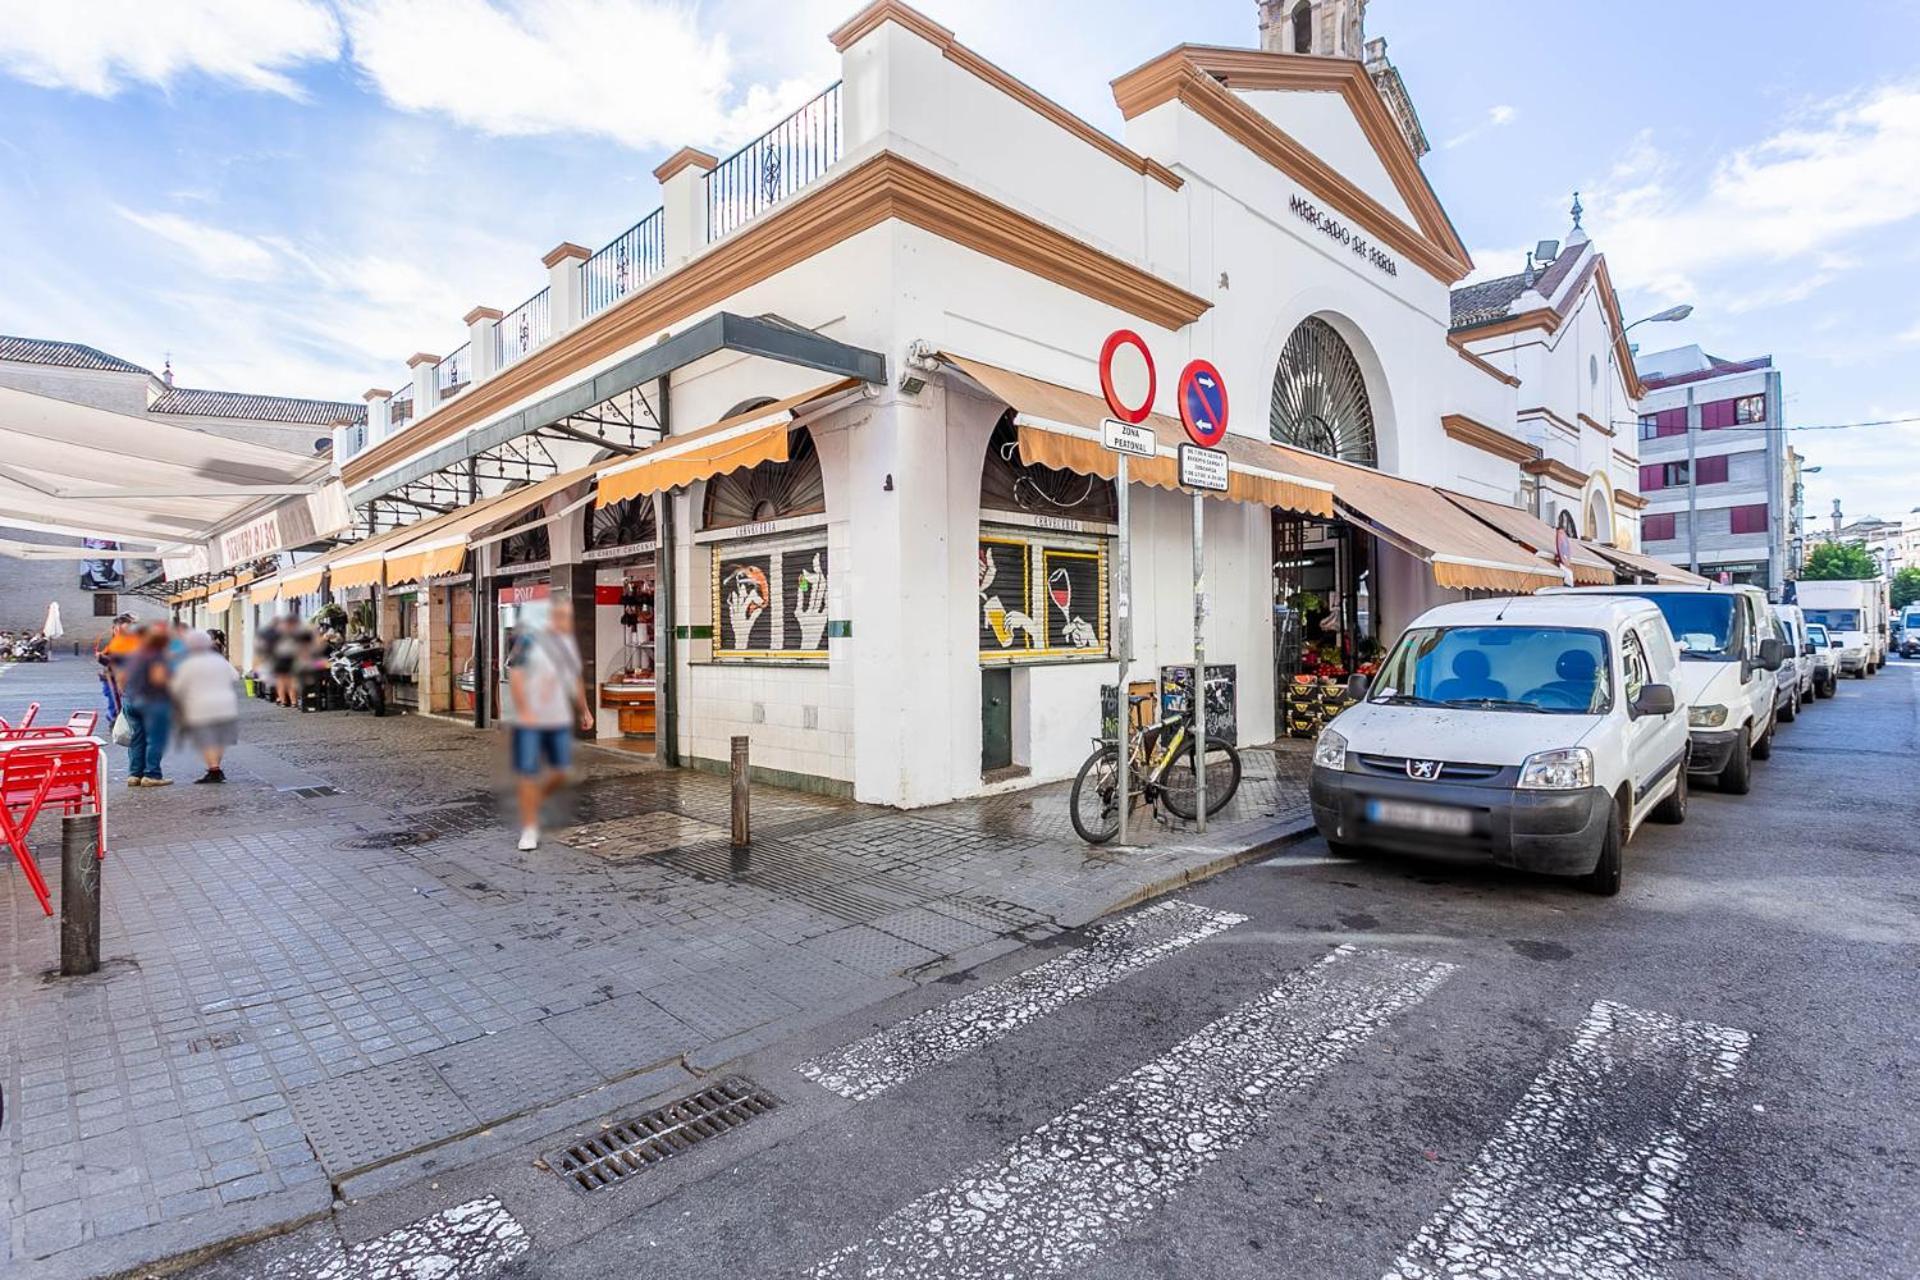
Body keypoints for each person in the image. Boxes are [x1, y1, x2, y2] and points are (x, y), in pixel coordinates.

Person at [505, 598, 592, 851]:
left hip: (558, 718)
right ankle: (529, 829)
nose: (566, 621)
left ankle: (534, 802)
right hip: (530, 721)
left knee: (561, 771)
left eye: (568, 617)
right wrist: (524, 711)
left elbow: (575, 679)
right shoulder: (528, 642)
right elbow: (516, 677)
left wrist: (584, 710)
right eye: (561, 616)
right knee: (529, 772)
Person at [171, 630, 241, 783]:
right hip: (225, 704)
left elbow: (177, 686)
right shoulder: (220, 661)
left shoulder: (188, 664)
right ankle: (216, 768)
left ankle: (214, 769)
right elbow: (235, 676)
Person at [121, 625, 174, 787]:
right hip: (152, 701)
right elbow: (158, 679)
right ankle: (152, 774)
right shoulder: (157, 656)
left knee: (137, 738)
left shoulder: (133, 654)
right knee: (155, 739)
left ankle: (134, 774)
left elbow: (121, 678)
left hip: (130, 700)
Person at [96, 613, 141, 718]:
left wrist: (103, 659)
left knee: (123, 707)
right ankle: (115, 721)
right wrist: (102, 658)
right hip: (112, 679)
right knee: (115, 707)